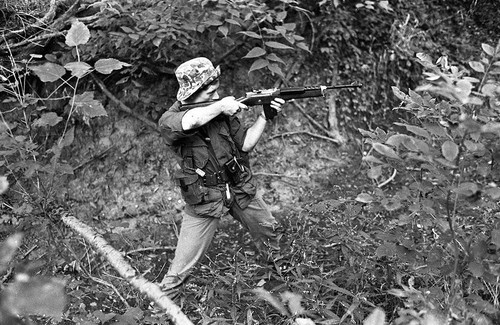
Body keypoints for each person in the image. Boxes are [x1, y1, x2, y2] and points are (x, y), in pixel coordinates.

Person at [157, 57, 285, 298]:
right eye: (210, 91)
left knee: (270, 234)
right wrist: (221, 106)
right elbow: (190, 121)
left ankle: (280, 289)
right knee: (180, 270)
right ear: (193, 91)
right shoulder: (170, 119)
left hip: (238, 187)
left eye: (216, 90)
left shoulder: (222, 111)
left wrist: (265, 116)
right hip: (205, 196)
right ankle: (164, 312)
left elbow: (245, 145)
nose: (216, 95)